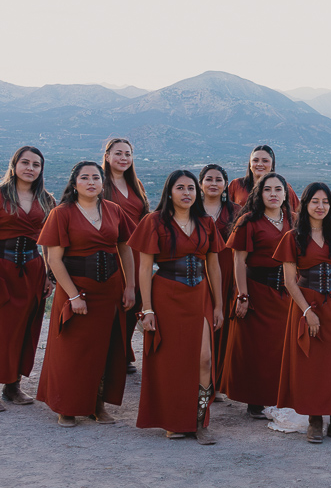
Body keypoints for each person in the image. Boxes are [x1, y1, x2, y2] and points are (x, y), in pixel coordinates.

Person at [36, 162, 135, 427]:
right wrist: (73, 296)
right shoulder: (62, 213)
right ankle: (66, 407)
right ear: (75, 182)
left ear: (103, 183)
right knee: (72, 350)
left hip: (110, 291)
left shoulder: (114, 211)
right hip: (76, 290)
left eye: (96, 177)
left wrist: (130, 286)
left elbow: (126, 249)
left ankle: (97, 405)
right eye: (85, 177)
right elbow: (55, 260)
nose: (91, 182)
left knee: (105, 348)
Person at [131, 170, 225, 444]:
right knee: (172, 363)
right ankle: (174, 420)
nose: (186, 193)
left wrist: (218, 305)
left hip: (200, 296)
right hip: (166, 295)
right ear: (169, 192)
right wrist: (147, 309)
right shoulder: (154, 221)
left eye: (191, 188)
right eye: (180, 188)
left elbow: (214, 266)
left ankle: (199, 421)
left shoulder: (206, 222)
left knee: (204, 359)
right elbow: (145, 268)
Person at [0, 146, 55, 411]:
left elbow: (48, 243)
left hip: (32, 269)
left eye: (36, 164)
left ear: (41, 169)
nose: (30, 168)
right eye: (25, 162)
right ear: (14, 165)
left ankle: (12, 386)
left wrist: (49, 275)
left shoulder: (46, 200)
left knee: (25, 328)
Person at [272, 183, 331, 443]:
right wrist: (307, 312)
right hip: (305, 303)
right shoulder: (292, 237)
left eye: (325, 202)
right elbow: (290, 281)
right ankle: (314, 422)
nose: (320, 206)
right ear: (305, 204)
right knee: (311, 365)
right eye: (315, 201)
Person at [222, 172, 294, 417]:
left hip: (286, 294)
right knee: (257, 349)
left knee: (280, 348)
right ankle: (255, 402)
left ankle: (278, 397)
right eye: (267, 189)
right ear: (259, 193)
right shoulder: (248, 221)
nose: (273, 194)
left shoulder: (293, 221)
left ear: (285, 194)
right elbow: (239, 260)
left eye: (278, 190)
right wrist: (243, 296)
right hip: (256, 291)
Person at [102, 137, 149, 374]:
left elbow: (144, 217)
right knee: (116, 301)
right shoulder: (99, 183)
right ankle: (112, 354)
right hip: (112, 250)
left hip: (138, 251)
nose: (123, 158)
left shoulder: (136, 184)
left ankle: (123, 350)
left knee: (135, 302)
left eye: (128, 154)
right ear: (107, 156)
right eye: (118, 153)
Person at [199, 163, 238, 397]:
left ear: (225, 185)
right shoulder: (190, 207)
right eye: (209, 179)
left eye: (218, 180)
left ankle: (218, 379)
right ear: (201, 183)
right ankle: (200, 376)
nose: (213, 184)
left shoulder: (236, 210)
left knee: (221, 321)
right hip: (198, 269)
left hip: (226, 269)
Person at [225, 145, 300, 212]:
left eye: (265, 161)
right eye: (255, 160)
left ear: (272, 164)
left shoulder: (283, 188)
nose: (260, 164)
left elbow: (299, 214)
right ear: (250, 164)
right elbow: (223, 210)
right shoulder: (237, 185)